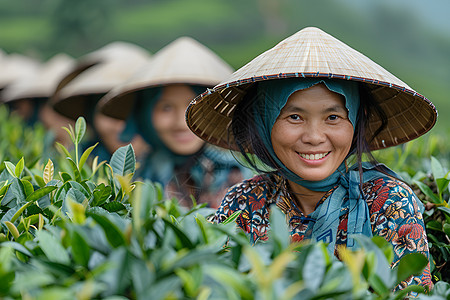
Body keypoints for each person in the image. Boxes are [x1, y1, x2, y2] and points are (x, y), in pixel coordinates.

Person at [185, 27, 437, 292]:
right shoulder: (246, 201)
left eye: (333, 117)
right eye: (294, 117)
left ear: (354, 122)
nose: (314, 137)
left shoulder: (388, 202)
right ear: (264, 122)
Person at [98, 36, 253, 208]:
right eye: (166, 108)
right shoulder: (132, 179)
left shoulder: (239, 175)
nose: (181, 123)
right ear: (145, 115)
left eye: (194, 105)